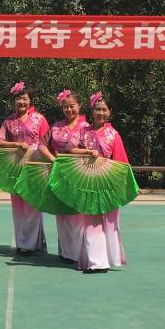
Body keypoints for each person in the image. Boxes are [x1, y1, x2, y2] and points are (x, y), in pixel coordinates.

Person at [74, 91, 131, 273]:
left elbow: (121, 163)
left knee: (109, 222)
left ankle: (105, 259)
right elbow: (71, 151)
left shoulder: (114, 135)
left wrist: (122, 185)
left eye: (104, 110)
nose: (101, 113)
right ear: (92, 111)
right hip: (88, 181)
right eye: (97, 109)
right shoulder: (83, 132)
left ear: (110, 112)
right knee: (91, 221)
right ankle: (96, 261)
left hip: (108, 183)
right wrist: (87, 153)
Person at [0, 81, 55, 255]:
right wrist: (15, 145)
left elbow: (47, 143)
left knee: (32, 206)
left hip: (35, 166)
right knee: (18, 207)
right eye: (18, 99)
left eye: (25, 98)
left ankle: (28, 245)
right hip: (15, 168)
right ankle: (25, 242)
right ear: (14, 101)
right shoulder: (9, 121)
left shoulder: (39, 119)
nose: (21, 102)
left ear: (30, 101)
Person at [48, 89, 96, 267]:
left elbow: (90, 150)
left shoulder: (86, 127)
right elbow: (44, 145)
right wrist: (53, 158)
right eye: (65, 107)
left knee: (76, 214)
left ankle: (77, 253)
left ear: (79, 106)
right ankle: (65, 251)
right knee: (61, 214)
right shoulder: (56, 126)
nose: (69, 110)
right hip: (59, 173)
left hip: (79, 174)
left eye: (72, 106)